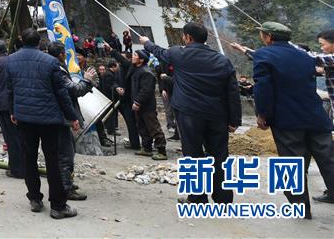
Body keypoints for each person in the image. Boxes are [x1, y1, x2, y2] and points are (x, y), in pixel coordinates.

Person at [140, 22, 240, 203]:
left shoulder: (179, 54)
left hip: (189, 114)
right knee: (219, 156)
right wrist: (234, 120)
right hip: (217, 115)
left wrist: (146, 42)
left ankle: (198, 198)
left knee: (193, 155)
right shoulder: (222, 60)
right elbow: (232, 92)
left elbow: (159, 51)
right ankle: (223, 198)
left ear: (188, 37)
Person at [251, 22, 334, 213]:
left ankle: (300, 207)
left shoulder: (264, 54)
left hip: (286, 118)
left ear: (268, 37)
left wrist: (262, 113)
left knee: (290, 164)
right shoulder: (305, 56)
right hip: (316, 116)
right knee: (329, 160)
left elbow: (263, 86)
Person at [6, 28, 80, 219]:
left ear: (22, 41)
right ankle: (58, 205)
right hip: (48, 119)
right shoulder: (50, 62)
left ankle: (34, 198)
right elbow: (62, 93)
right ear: (39, 42)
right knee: (52, 160)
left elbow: (10, 89)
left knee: (29, 158)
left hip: (24, 117)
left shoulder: (11, 60)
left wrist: (13, 111)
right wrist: (72, 117)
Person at [47, 42, 97, 201]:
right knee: (65, 155)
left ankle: (66, 181)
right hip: (61, 117)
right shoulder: (58, 70)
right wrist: (87, 80)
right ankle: (65, 188)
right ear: (61, 55)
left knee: (66, 151)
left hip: (54, 116)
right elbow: (73, 91)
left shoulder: (50, 66)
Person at [0, 40, 24, 179]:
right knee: (19, 136)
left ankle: (16, 169)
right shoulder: (14, 60)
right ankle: (23, 165)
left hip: (3, 103)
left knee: (10, 137)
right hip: (17, 101)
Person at [129, 49, 167, 160]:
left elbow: (146, 90)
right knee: (142, 127)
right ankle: (147, 148)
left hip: (147, 106)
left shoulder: (146, 72)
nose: (132, 56)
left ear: (141, 60)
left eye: (135, 55)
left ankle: (162, 151)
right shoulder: (137, 70)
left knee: (153, 128)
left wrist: (137, 102)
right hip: (139, 105)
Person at [108, 48, 140, 150]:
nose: (120, 60)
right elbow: (114, 82)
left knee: (139, 123)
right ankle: (134, 143)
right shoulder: (119, 69)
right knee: (130, 123)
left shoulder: (131, 67)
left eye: (122, 58)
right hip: (124, 101)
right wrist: (117, 88)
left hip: (133, 99)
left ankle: (145, 144)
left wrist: (111, 50)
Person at [158, 63, 179, 140]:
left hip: (178, 91)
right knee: (169, 109)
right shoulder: (164, 63)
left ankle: (177, 133)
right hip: (169, 90)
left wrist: (165, 77)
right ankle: (171, 125)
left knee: (177, 113)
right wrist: (163, 89)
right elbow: (160, 76)